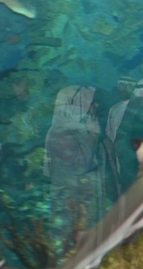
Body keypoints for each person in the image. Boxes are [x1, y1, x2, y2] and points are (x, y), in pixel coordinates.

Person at [44, 85, 106, 231]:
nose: (96, 106)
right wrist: (92, 136)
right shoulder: (63, 131)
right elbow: (81, 165)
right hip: (69, 195)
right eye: (91, 102)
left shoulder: (77, 126)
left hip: (78, 194)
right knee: (67, 232)